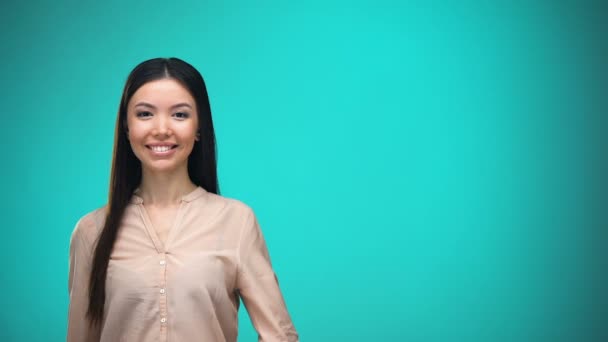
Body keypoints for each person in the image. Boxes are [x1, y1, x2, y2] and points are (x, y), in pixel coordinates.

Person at [67, 57, 298, 342]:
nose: (162, 129)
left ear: (199, 126)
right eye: (145, 114)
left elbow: (280, 335)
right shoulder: (91, 232)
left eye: (180, 115)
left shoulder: (236, 221)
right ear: (127, 127)